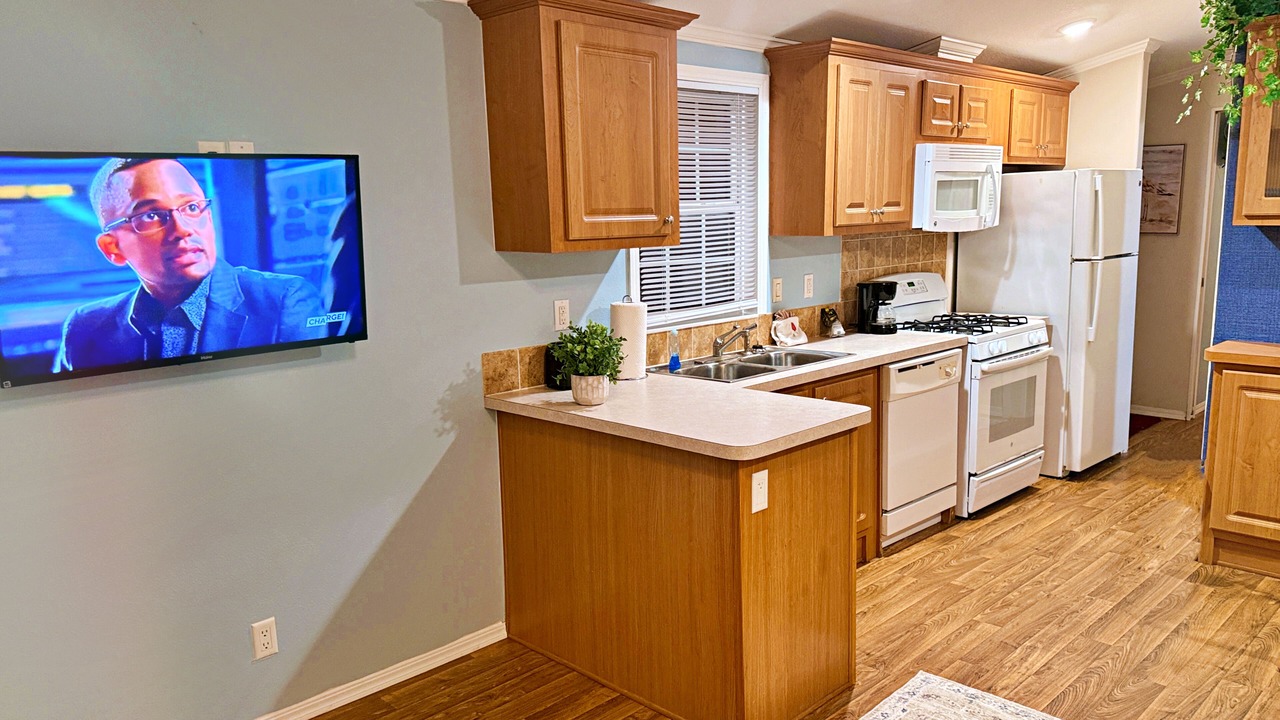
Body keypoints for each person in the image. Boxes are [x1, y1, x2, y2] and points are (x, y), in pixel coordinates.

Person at [53, 157, 327, 373]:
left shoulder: (284, 301)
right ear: (112, 248)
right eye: (151, 215)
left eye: (192, 208)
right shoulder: (85, 328)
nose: (183, 229)